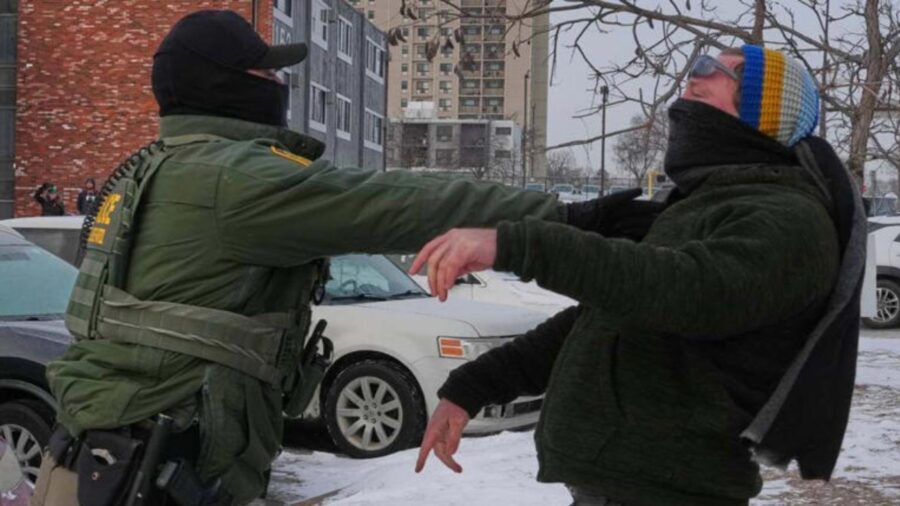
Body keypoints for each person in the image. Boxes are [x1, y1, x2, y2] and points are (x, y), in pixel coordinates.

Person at [30, 10, 577, 506]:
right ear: (224, 84)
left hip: (98, 463)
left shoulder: (151, 167)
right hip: (148, 478)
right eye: (266, 71)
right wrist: (566, 218)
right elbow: (399, 203)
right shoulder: (236, 180)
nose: (279, 83)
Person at [412, 45, 865, 506]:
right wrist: (474, 387)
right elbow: (604, 320)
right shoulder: (701, 205)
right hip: (624, 490)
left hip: (671, 493)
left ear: (766, 113)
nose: (696, 73)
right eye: (700, 62)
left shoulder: (789, 219)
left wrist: (518, 245)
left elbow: (686, 291)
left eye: (725, 70)